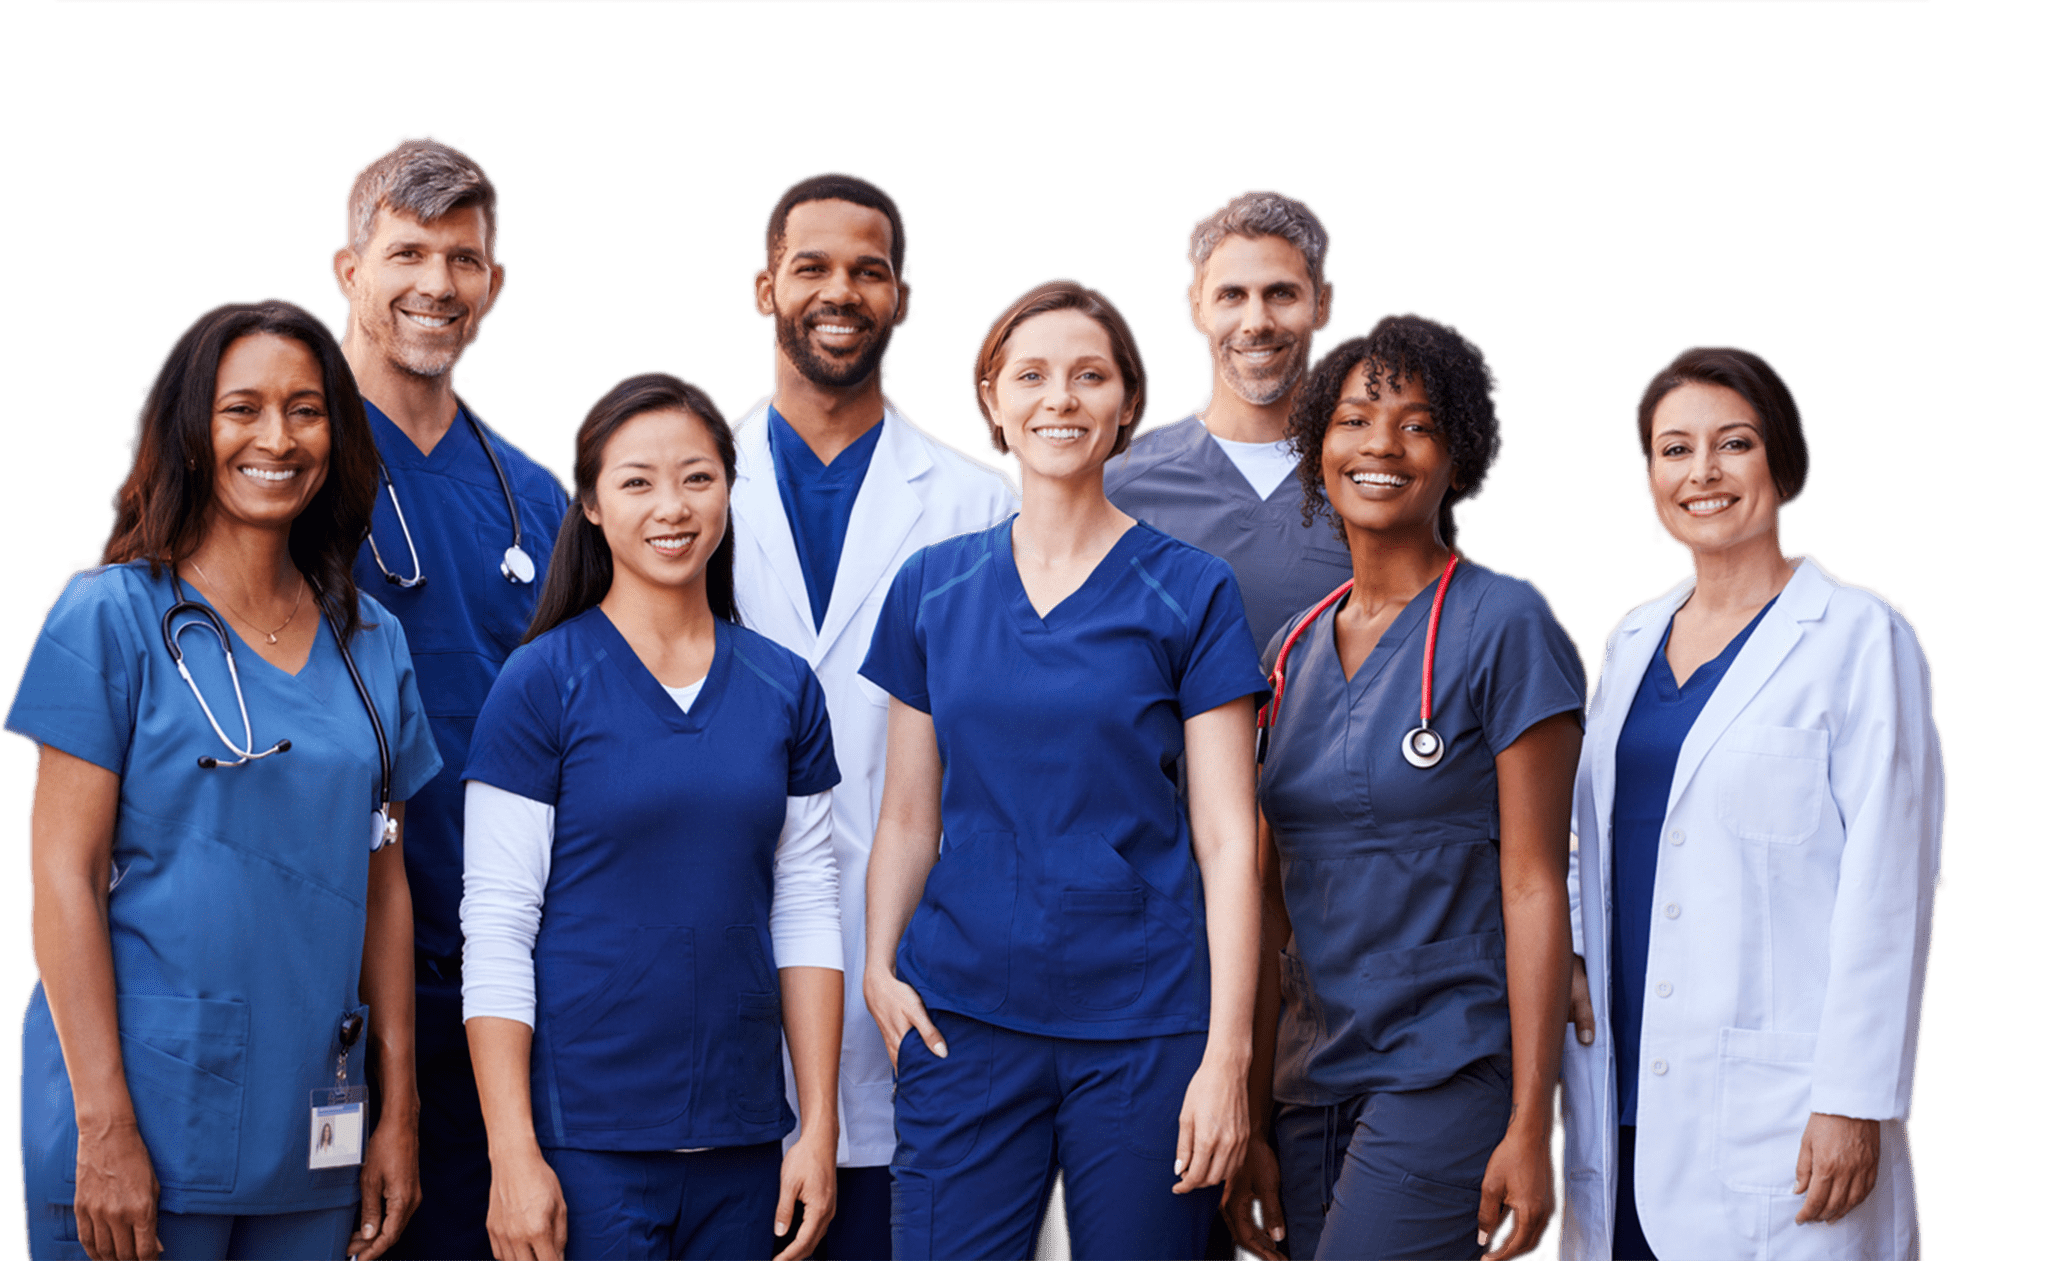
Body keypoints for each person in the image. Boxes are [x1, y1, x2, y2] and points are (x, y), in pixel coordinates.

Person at [9, 297, 442, 1261]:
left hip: (312, 1115)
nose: (276, 438)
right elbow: (60, 882)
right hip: (142, 1120)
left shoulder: (370, 640)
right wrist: (104, 1124)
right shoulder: (109, 618)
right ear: (193, 430)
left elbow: (385, 880)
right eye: (241, 408)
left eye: (306, 408)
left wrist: (398, 1108)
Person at [862, 277, 1268, 1260]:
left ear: (1129, 402)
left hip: (1145, 1024)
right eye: (1032, 375)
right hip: (964, 1016)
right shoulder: (932, 588)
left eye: (1091, 376)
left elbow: (1226, 837)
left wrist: (1227, 1054)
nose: (1061, 399)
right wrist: (878, 966)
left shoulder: (1192, 591)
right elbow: (910, 816)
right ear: (992, 402)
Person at [1556, 345, 1944, 1261]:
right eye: (1674, 449)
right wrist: (1570, 949)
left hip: (1783, 1109)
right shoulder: (1634, 637)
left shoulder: (1858, 636)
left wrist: (1855, 1096)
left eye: (1734, 443)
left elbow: (1891, 881)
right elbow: (1585, 831)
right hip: (1621, 1094)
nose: (1703, 473)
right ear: (1649, 476)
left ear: (1783, 463)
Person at [460, 370, 845, 1261]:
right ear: (590, 504)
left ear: (727, 489)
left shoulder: (784, 686)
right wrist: (513, 1153)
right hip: (587, 1142)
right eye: (636, 481)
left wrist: (817, 1127)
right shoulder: (541, 683)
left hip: (746, 1142)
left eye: (697, 477)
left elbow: (808, 910)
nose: (671, 506)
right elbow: (498, 928)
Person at [1226, 312, 1586, 1261]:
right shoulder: (1291, 650)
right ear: (1317, 448)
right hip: (1312, 1075)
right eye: (1352, 420)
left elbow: (1535, 881)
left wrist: (1531, 1118)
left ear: (1458, 460)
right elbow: (1268, 902)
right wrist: (1255, 1115)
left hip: (1447, 1065)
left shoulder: (1505, 622)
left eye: (1418, 424)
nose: (1380, 444)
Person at [728, 169, 1018, 1258]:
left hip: (922, 985)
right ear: (765, 288)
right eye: (811, 267)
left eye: (869, 269)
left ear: (904, 297)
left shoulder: (982, 505)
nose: (838, 291)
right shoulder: (683, 484)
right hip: (716, 971)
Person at [330, 133, 572, 1260]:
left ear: (497, 284)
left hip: (494, 985)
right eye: (409, 252)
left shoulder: (535, 495)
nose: (438, 283)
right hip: (327, 971)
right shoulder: (283, 460)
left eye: (465, 259)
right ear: (349, 269)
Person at [1105, 189, 1351, 656]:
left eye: (1281, 293)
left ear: (1323, 305)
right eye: (1232, 295)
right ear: (1196, 307)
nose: (1256, 321)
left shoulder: (1371, 479)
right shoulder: (1116, 489)